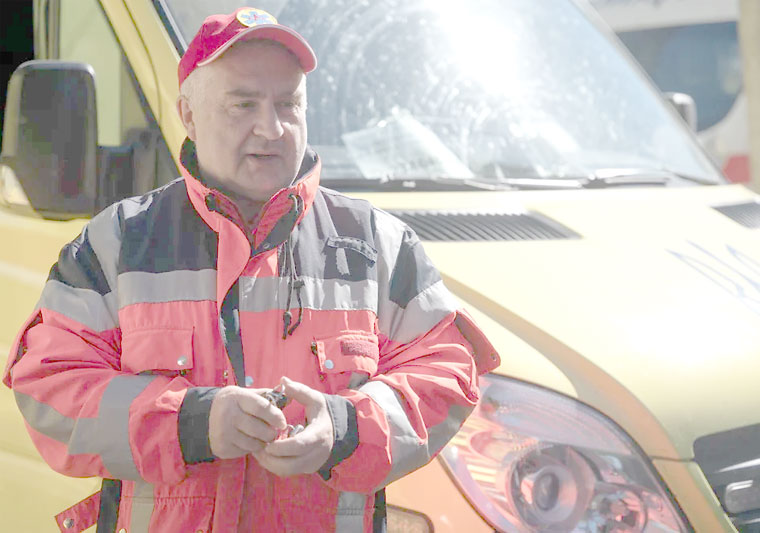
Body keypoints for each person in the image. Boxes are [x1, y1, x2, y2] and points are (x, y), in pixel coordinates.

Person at [2, 7, 499, 532]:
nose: (271, 127)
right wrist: (190, 422)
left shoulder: (378, 244)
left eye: (288, 103)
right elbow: (47, 390)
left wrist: (345, 429)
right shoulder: (116, 244)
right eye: (243, 105)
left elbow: (447, 372)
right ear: (188, 115)